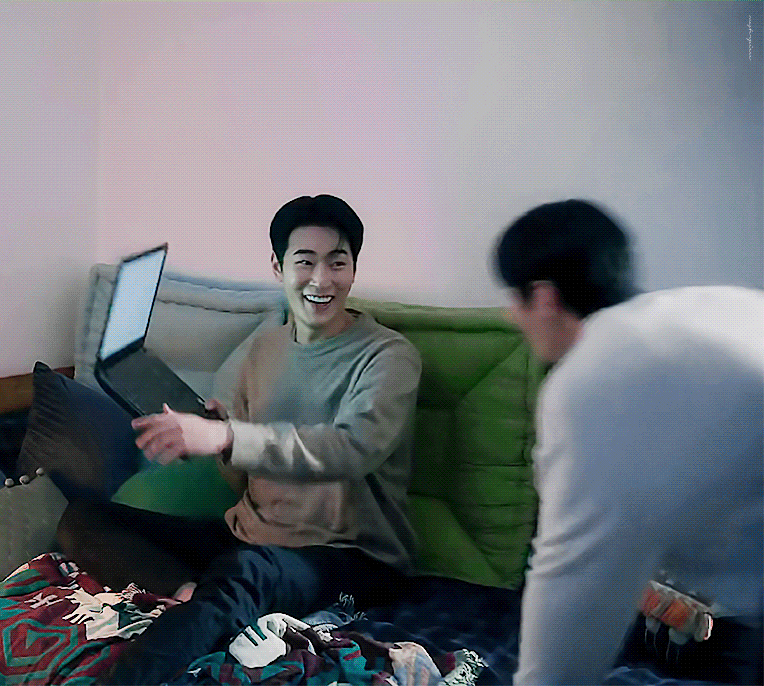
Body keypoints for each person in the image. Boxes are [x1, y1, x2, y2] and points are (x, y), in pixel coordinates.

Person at [60, 194, 422, 685]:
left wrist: (228, 435)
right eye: (305, 262)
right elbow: (242, 480)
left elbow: (352, 448)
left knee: (247, 571)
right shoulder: (264, 348)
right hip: (250, 537)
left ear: (353, 270)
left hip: (350, 558)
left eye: (337, 263)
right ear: (278, 267)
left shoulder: (389, 356)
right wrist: (213, 433)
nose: (321, 280)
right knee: (83, 516)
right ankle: (190, 593)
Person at [492, 199, 763, 685]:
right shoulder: (707, 307)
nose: (513, 316)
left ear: (545, 298)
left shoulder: (597, 375)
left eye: (516, 299)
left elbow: (573, 575)